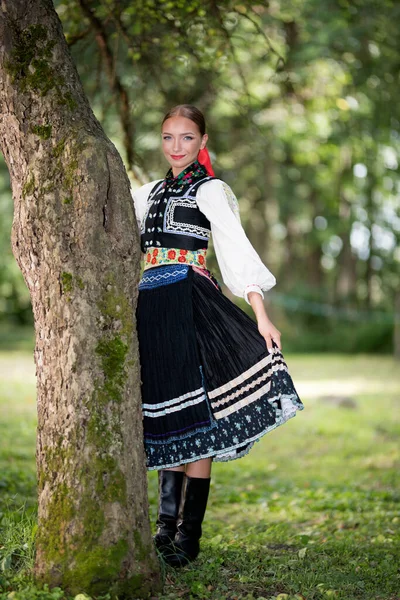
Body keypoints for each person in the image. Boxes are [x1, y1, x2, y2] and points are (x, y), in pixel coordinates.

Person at [130, 104, 304, 568]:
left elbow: (235, 249)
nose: (176, 147)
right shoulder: (145, 193)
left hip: (192, 304)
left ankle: (189, 536)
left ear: (202, 142)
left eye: (186, 138)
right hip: (151, 308)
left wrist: (261, 315)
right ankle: (164, 530)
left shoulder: (211, 191)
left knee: (199, 416)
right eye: (168, 137)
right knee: (168, 414)